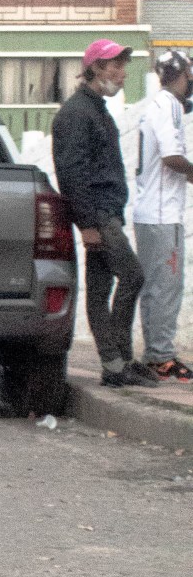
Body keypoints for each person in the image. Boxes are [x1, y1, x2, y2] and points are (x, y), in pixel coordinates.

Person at [52, 40, 154, 389]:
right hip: (98, 215)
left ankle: (116, 365)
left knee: (99, 289)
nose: (122, 75)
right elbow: (71, 172)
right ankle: (117, 359)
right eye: (115, 67)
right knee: (133, 276)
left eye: (123, 67)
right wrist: (87, 223)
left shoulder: (95, 109)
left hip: (106, 212)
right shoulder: (77, 113)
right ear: (96, 68)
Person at [132, 49, 193, 380]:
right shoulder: (169, 105)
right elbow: (172, 157)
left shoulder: (153, 105)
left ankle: (157, 353)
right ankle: (161, 356)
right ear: (182, 75)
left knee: (156, 286)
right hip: (161, 214)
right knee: (166, 286)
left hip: (150, 212)